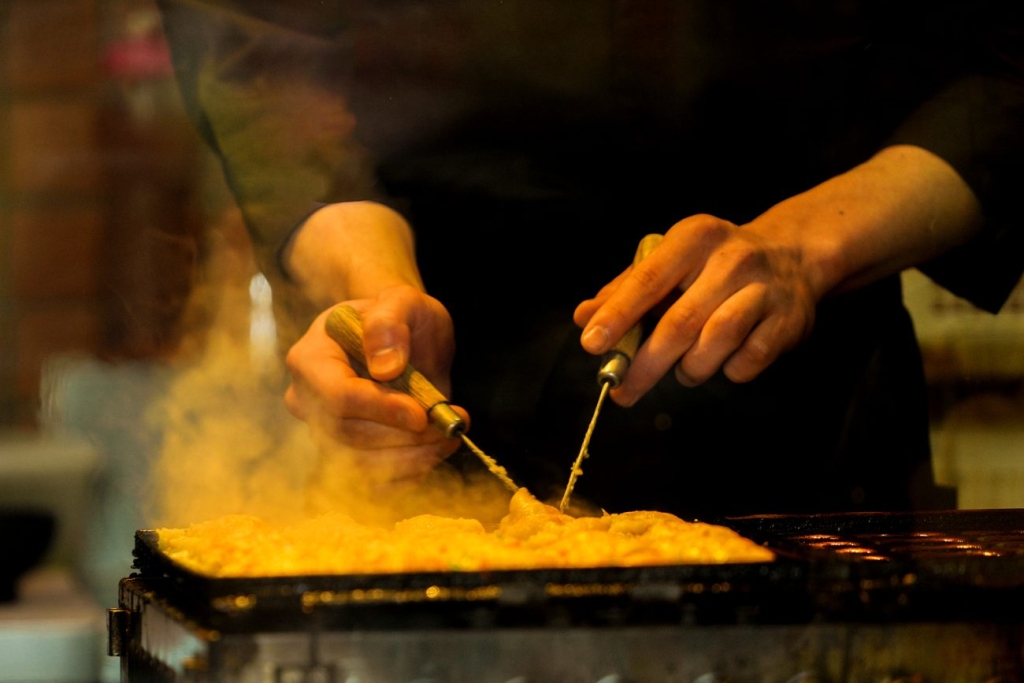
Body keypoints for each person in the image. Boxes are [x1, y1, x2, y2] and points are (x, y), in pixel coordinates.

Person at [154, 0, 1024, 518]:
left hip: (804, 424)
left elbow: (999, 70)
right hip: (434, 377)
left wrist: (802, 249)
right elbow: (261, 39)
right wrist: (372, 288)